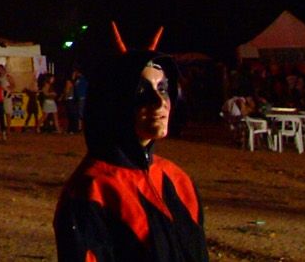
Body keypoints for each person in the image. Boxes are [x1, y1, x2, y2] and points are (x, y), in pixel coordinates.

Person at [54, 30, 207, 261]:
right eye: (141, 91)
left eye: (163, 89)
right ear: (115, 101)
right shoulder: (92, 191)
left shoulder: (178, 181)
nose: (160, 102)